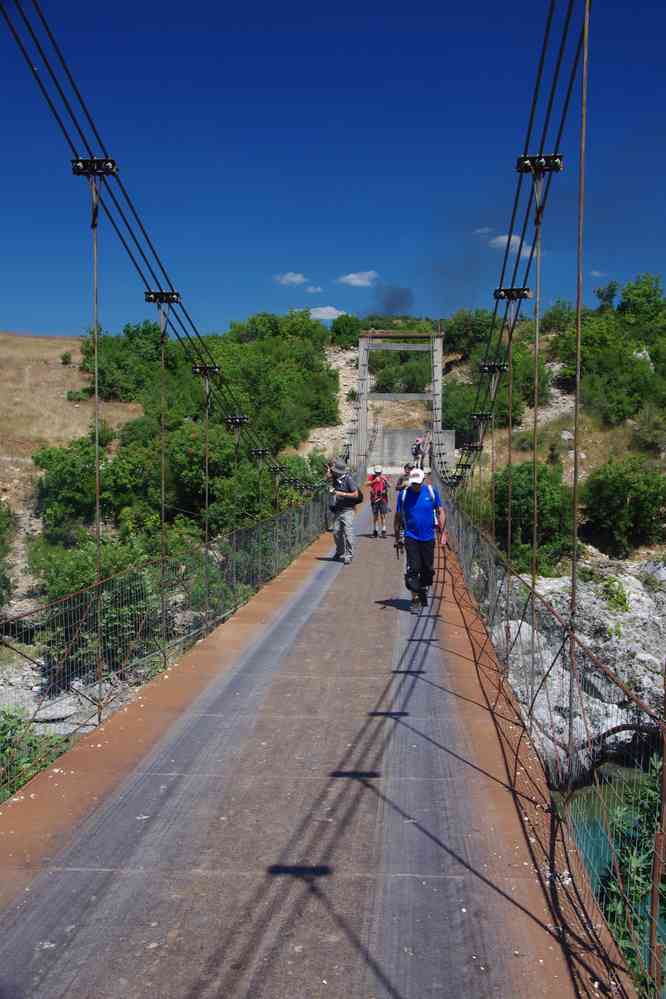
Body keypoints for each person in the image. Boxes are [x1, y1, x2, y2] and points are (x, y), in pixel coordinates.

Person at [394, 467, 446, 612]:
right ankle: (415, 599)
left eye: (418, 483)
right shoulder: (403, 494)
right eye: (413, 483)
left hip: (428, 537)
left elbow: (440, 511)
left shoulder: (431, 492)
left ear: (422, 481)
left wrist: (443, 532)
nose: (415, 486)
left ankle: (422, 588)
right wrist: (397, 537)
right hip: (411, 537)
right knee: (413, 569)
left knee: (428, 570)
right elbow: (398, 517)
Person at [326, 458, 359, 565]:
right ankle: (340, 551)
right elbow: (326, 478)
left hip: (348, 510)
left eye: (334, 470)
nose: (333, 471)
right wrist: (328, 471)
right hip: (338, 509)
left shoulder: (348, 479)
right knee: (336, 532)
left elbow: (355, 494)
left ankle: (349, 555)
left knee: (347, 532)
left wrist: (340, 493)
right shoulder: (335, 478)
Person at [368, 465, 389, 538]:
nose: (378, 474)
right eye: (377, 472)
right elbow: (366, 484)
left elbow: (389, 486)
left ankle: (383, 530)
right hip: (374, 499)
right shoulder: (371, 477)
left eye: (379, 472)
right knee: (375, 516)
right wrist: (374, 481)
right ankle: (375, 530)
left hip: (383, 499)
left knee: (383, 515)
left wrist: (385, 480)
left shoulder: (384, 477)